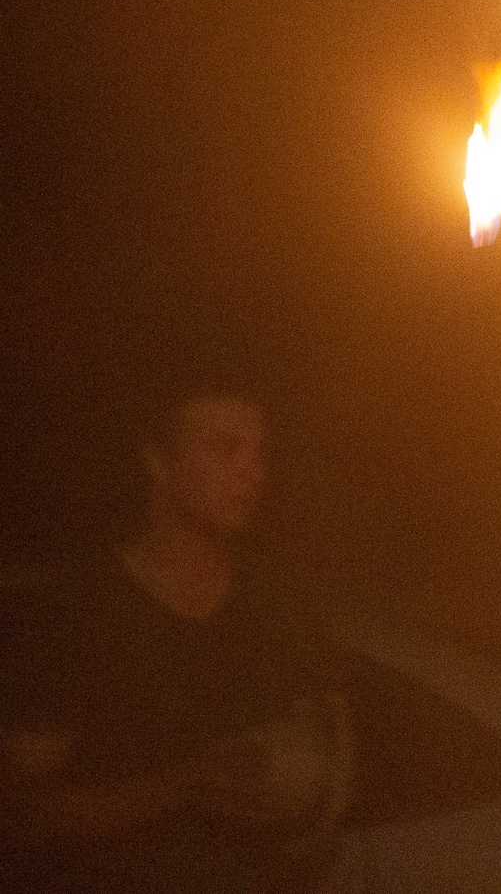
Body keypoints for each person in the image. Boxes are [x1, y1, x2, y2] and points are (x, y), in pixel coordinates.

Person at [0, 371, 350, 892]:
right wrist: (182, 788)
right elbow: (23, 815)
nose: (251, 472)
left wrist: (312, 797)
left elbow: (320, 743)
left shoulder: (272, 607)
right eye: (226, 450)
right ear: (160, 463)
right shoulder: (81, 611)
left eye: (258, 452)